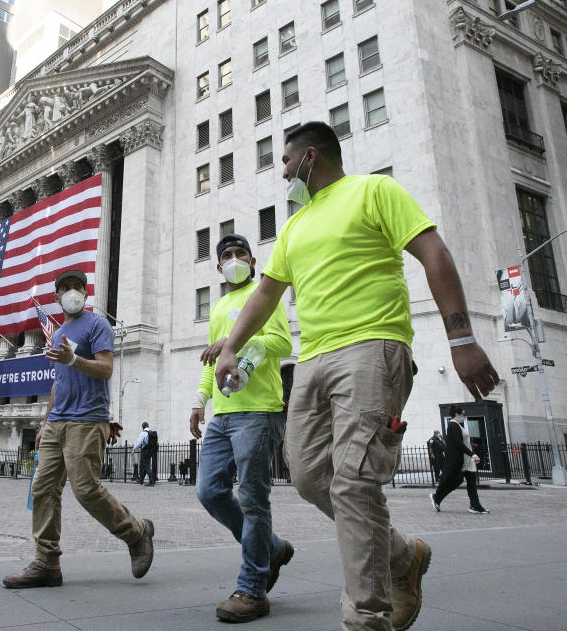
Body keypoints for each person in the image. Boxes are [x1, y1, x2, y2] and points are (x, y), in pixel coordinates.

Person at [212, 122, 500, 631]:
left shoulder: (375, 190)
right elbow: (265, 294)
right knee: (306, 474)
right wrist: (231, 346)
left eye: (284, 162)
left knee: (353, 483)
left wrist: (460, 338)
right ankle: (401, 556)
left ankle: (367, 618)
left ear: (310, 157)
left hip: (373, 349)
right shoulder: (295, 226)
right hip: (313, 362)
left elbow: (433, 252)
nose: (280, 172)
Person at [3, 269, 155, 589]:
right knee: (43, 490)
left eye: (78, 287)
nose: (72, 292)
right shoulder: (58, 334)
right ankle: (47, 563)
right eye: (66, 288)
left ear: (85, 294)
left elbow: (105, 368)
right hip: (57, 423)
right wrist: (45, 423)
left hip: (87, 420)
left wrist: (74, 360)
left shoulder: (98, 324)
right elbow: (59, 381)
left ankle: (137, 533)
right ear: (57, 296)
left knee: (86, 490)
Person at [191, 233, 295, 623]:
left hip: (258, 410)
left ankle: (253, 586)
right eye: (227, 256)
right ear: (218, 267)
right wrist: (199, 402)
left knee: (253, 498)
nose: (234, 259)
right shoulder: (218, 306)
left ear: (252, 260)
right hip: (222, 413)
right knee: (209, 491)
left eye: (240, 254)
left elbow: (282, 342)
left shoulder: (264, 297)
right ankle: (272, 547)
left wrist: (238, 342)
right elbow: (210, 360)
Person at [430, 407, 489, 515]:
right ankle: (437, 497)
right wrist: (472, 454)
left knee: (471, 482)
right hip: (462, 458)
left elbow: (463, 442)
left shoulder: (457, 425)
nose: (464, 416)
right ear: (457, 414)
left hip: (466, 458)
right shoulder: (453, 425)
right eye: (463, 413)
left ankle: (475, 505)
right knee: (456, 481)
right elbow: (458, 443)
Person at [132, 422, 158, 486]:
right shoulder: (151, 432)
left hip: (145, 450)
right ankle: (141, 480)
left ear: (143, 427)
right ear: (148, 426)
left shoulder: (143, 433)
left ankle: (151, 481)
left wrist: (134, 449)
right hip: (151, 450)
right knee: (145, 466)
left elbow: (139, 442)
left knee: (147, 466)